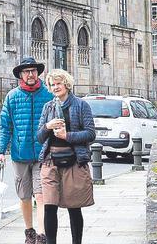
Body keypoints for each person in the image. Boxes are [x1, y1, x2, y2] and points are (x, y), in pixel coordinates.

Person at [0, 56, 54, 244]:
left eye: (33, 71)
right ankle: (29, 232)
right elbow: (5, 126)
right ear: (21, 74)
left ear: (38, 73)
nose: (30, 74)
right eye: (26, 71)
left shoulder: (47, 95)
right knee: (24, 196)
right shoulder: (12, 97)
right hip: (19, 155)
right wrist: (0, 152)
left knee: (41, 194)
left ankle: (42, 235)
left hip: (42, 154)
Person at [37, 69, 95, 244]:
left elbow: (91, 134)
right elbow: (39, 137)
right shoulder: (48, 107)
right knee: (49, 207)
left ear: (66, 84)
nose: (55, 87)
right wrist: (48, 126)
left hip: (74, 161)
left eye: (58, 84)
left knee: (74, 207)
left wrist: (67, 136)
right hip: (50, 161)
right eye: (52, 85)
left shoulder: (81, 105)